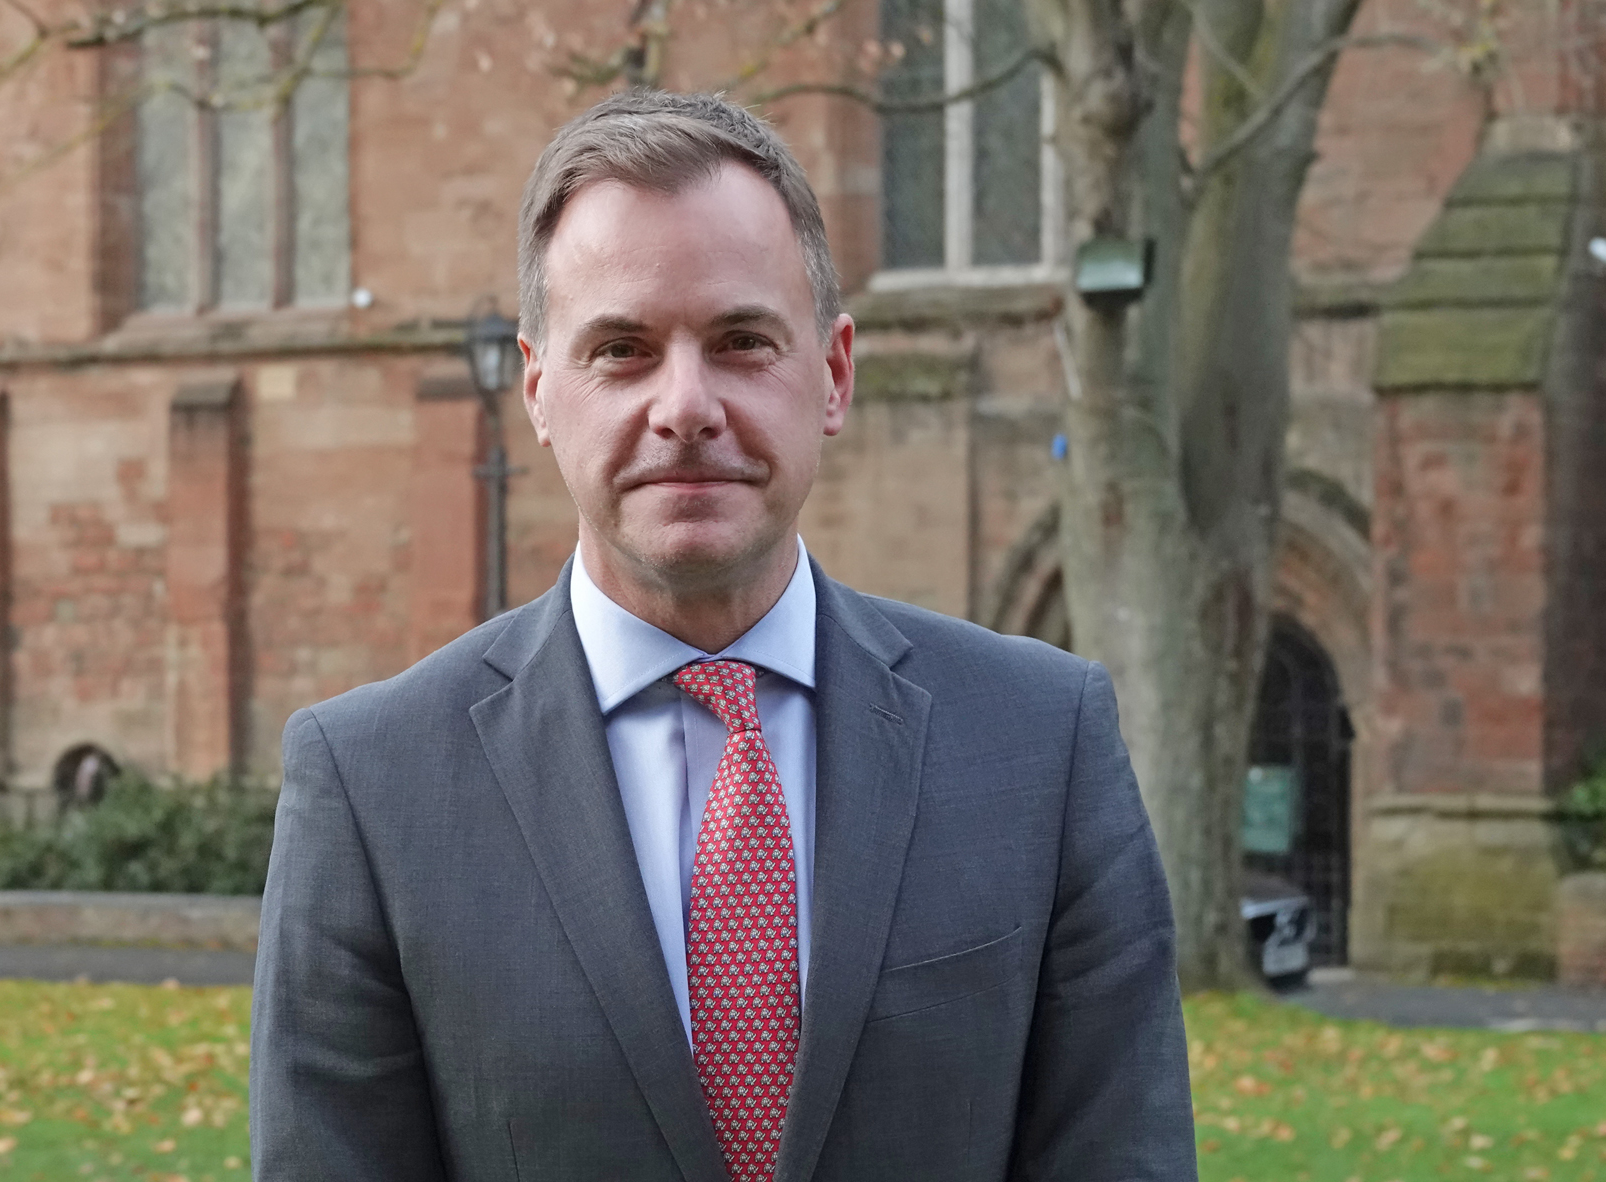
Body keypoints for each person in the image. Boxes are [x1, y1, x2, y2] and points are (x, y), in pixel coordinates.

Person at [250, 89, 1196, 1182]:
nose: (684, 405)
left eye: (741, 341)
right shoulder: (375, 787)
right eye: (621, 349)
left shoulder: (1039, 743)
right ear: (539, 388)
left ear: (833, 374)